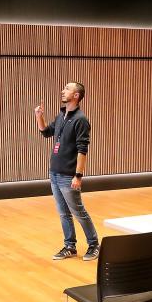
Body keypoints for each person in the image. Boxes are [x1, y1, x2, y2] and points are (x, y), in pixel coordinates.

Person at [34, 82, 99, 261]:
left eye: (67, 89)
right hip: (54, 172)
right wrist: (39, 116)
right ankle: (70, 246)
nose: (63, 91)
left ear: (76, 95)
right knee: (63, 213)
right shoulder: (62, 115)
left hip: (68, 175)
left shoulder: (80, 119)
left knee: (78, 211)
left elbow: (82, 150)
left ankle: (94, 244)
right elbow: (46, 132)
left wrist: (78, 175)